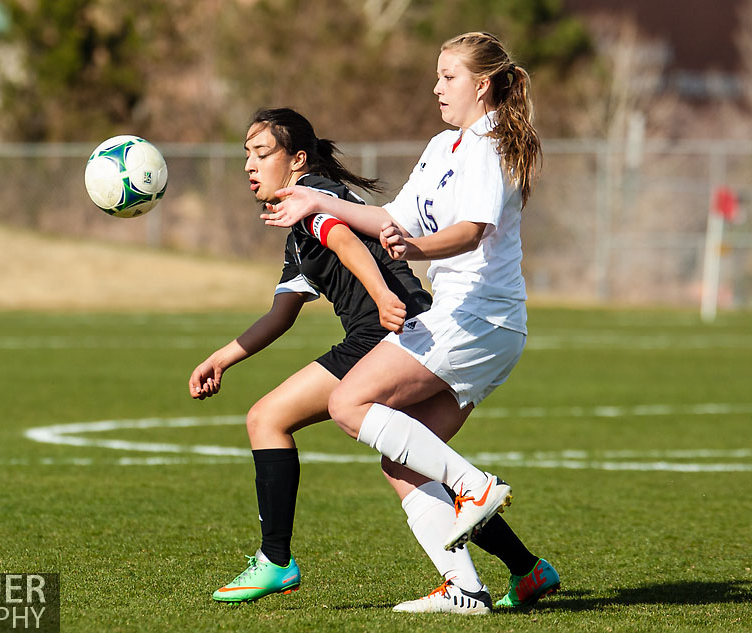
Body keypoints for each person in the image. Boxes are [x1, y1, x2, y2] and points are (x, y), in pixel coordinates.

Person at [190, 107, 550, 614]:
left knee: (267, 418)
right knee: (407, 463)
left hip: (386, 332)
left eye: (262, 153)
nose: (250, 165)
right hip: (407, 328)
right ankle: (521, 570)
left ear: (297, 159)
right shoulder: (300, 217)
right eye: (246, 154)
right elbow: (282, 311)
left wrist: (381, 295)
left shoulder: (311, 194)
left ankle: (275, 559)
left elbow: (339, 235)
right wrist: (222, 359)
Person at [261, 32, 560, 613]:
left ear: (482, 84)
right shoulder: (443, 145)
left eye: (448, 76)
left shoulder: (489, 144)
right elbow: (389, 216)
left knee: (349, 403)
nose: (437, 87)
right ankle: (466, 591)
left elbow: (472, 232)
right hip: (470, 321)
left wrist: (414, 249)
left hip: (478, 317)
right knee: (400, 460)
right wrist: (317, 203)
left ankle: (474, 485)